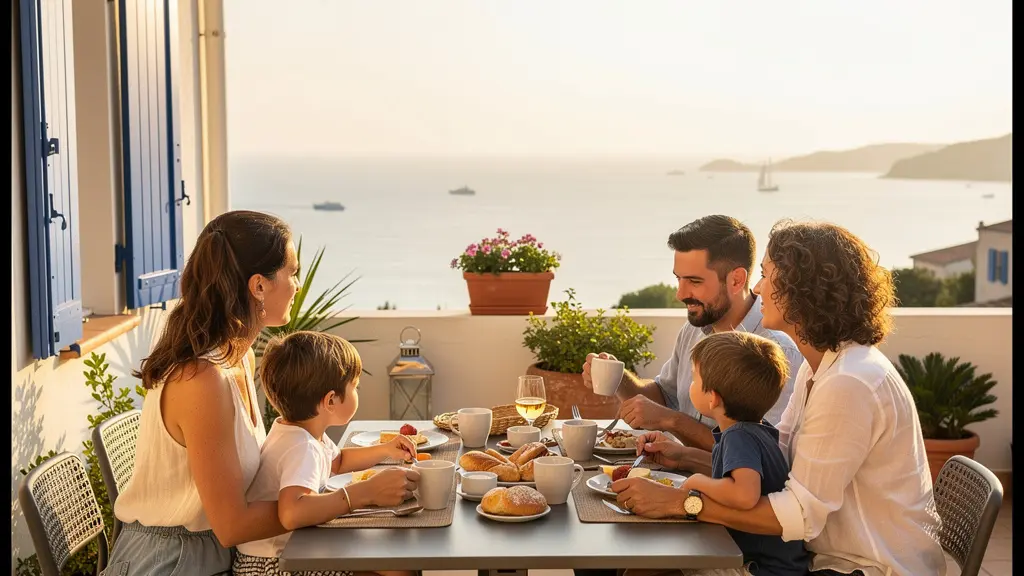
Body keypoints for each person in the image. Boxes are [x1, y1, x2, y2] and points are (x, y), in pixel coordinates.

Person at [615, 220, 945, 576]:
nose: (757, 287)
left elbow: (798, 515)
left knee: (656, 561)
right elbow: (779, 466)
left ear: (802, 291)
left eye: (767, 275)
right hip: (826, 558)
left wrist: (684, 503)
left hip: (862, 567)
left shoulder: (849, 383)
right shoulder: (820, 367)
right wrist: (685, 457)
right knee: (651, 561)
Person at [103, 210, 301, 575]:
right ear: (258, 285)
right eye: (292, 273)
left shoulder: (239, 359)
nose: (297, 285)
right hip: (175, 563)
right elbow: (232, 525)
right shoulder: (202, 379)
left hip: (221, 557)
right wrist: (342, 502)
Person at [582, 215, 802, 452]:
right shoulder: (693, 330)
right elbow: (665, 397)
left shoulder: (777, 351)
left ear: (736, 280)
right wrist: (619, 379)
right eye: (678, 279)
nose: (680, 294)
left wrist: (672, 420)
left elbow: (764, 455)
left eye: (694, 281)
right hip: (673, 475)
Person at [617, 331, 808, 576]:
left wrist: (698, 482)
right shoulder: (756, 430)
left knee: (645, 566)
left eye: (695, 380)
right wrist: (683, 456)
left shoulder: (738, 437)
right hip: (765, 561)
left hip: (759, 568)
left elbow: (745, 495)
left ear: (713, 397)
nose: (691, 385)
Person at [233, 331, 420, 576]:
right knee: (399, 570)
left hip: (285, 553)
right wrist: (362, 494)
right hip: (273, 565)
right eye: (355, 386)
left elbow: (339, 461)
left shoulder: (297, 431)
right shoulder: (302, 447)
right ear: (331, 401)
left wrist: (386, 450)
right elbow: (291, 513)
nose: (357, 392)